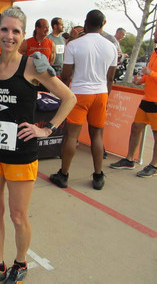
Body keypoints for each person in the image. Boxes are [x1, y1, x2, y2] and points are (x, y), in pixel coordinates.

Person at [0, 6, 76, 284]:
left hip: (21, 155)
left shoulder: (32, 66)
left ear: (23, 35)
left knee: (18, 216)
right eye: (4, 29)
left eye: (16, 31)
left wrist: (47, 129)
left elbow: (69, 99)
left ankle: (20, 264)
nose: (9, 36)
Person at [49, 10, 117, 190]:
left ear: (86, 23)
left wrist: (62, 95)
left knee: (71, 136)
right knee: (97, 136)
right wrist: (106, 98)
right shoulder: (111, 47)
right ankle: (98, 176)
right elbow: (110, 78)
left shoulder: (74, 45)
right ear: (103, 23)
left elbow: (65, 75)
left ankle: (63, 175)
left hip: (79, 93)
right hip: (101, 94)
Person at [110, 21, 157, 177]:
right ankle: (129, 159)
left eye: (156, 31)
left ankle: (154, 166)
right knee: (136, 127)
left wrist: (151, 74)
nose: (153, 34)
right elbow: (152, 73)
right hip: (148, 98)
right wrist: (142, 80)